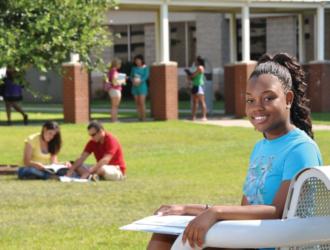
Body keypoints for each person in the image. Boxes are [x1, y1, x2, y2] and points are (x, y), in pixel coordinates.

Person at [147, 53, 323, 250]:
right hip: (249, 238)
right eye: (250, 100)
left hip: (272, 243)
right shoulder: (261, 147)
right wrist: (186, 209)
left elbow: (279, 212)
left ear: (288, 99)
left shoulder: (300, 148)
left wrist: (215, 212)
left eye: (268, 98)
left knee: (187, 243)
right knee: (163, 233)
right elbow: (245, 210)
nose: (257, 107)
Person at [104, 58, 126, 122]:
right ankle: (114, 120)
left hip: (113, 90)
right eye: (120, 64)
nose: (120, 65)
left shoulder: (111, 70)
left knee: (114, 106)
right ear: (117, 64)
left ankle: (114, 119)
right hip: (115, 90)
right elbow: (114, 82)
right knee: (115, 106)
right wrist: (122, 81)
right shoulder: (114, 71)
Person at [130, 54, 149, 121]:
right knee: (137, 103)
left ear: (142, 60)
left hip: (142, 87)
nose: (137, 62)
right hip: (134, 87)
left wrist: (139, 81)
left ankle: (144, 117)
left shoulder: (145, 68)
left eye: (138, 60)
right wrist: (133, 80)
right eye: (136, 61)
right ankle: (139, 117)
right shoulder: (133, 68)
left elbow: (146, 76)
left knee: (142, 102)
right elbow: (131, 76)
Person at [189, 56, 207, 121]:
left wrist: (190, 76)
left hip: (199, 86)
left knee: (202, 102)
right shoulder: (197, 68)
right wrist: (190, 76)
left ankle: (204, 117)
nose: (195, 62)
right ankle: (193, 117)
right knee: (194, 102)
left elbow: (194, 75)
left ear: (198, 61)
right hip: (195, 85)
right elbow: (192, 76)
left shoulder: (200, 67)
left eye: (196, 61)